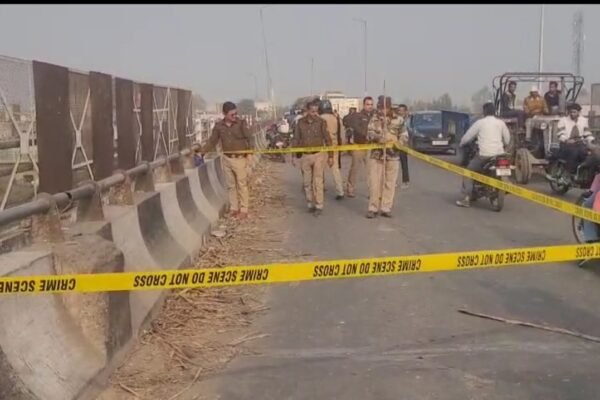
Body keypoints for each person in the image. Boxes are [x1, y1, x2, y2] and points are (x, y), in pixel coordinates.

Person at [200, 101, 253, 219]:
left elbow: (250, 138)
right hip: (227, 159)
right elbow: (212, 141)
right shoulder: (219, 126)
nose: (235, 116)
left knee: (242, 184)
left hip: (240, 159)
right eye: (232, 114)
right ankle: (234, 208)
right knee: (231, 185)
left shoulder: (241, 123)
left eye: (236, 113)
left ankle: (244, 209)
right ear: (225, 114)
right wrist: (202, 152)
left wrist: (250, 153)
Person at [456, 102, 511, 208]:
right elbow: (507, 140)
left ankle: (466, 199)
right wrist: (502, 145)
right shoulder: (501, 123)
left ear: (484, 112)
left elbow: (468, 136)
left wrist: (461, 143)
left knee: (468, 172)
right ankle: (507, 185)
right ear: (494, 112)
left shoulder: (480, 123)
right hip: (500, 154)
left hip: (484, 155)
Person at [366, 95, 407, 218]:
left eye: (384, 107)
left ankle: (386, 207)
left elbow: (404, 135)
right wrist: (378, 138)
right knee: (375, 183)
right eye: (380, 107)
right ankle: (373, 208)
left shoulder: (399, 120)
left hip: (393, 156)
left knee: (390, 183)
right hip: (376, 155)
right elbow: (369, 133)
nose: (382, 110)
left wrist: (399, 143)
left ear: (389, 107)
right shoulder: (374, 119)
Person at [292, 99, 334, 216]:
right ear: (307, 111)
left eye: (316, 111)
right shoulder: (300, 123)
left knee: (318, 181)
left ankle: (319, 205)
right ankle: (310, 203)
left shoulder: (321, 122)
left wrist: (331, 156)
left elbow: (328, 139)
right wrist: (293, 156)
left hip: (318, 155)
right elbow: (296, 139)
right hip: (305, 155)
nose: (315, 114)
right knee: (307, 182)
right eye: (312, 111)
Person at [554, 102, 593, 179]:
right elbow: (560, 133)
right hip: (566, 144)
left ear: (579, 112)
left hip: (580, 143)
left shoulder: (584, 120)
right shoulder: (563, 120)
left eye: (574, 112)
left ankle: (584, 172)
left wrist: (591, 140)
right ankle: (569, 173)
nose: (572, 114)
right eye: (571, 112)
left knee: (587, 153)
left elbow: (587, 132)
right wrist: (566, 140)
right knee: (574, 152)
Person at [345, 97, 375, 198]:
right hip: (358, 145)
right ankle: (350, 188)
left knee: (371, 170)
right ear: (364, 105)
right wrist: (365, 134)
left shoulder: (374, 116)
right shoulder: (357, 116)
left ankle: (372, 192)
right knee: (354, 168)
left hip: (370, 146)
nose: (370, 106)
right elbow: (356, 128)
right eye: (368, 104)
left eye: (371, 104)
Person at [319, 99, 345, 200]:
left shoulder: (319, 118)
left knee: (320, 169)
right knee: (335, 170)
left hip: (323, 145)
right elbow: (341, 134)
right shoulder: (336, 118)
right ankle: (340, 191)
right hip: (334, 145)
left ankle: (320, 188)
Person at [397, 104, 410, 189]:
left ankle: (405, 181)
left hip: (403, 145)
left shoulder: (407, 121)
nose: (400, 112)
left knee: (404, 163)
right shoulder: (396, 120)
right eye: (399, 110)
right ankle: (394, 181)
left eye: (402, 110)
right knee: (394, 163)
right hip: (395, 144)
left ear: (405, 111)